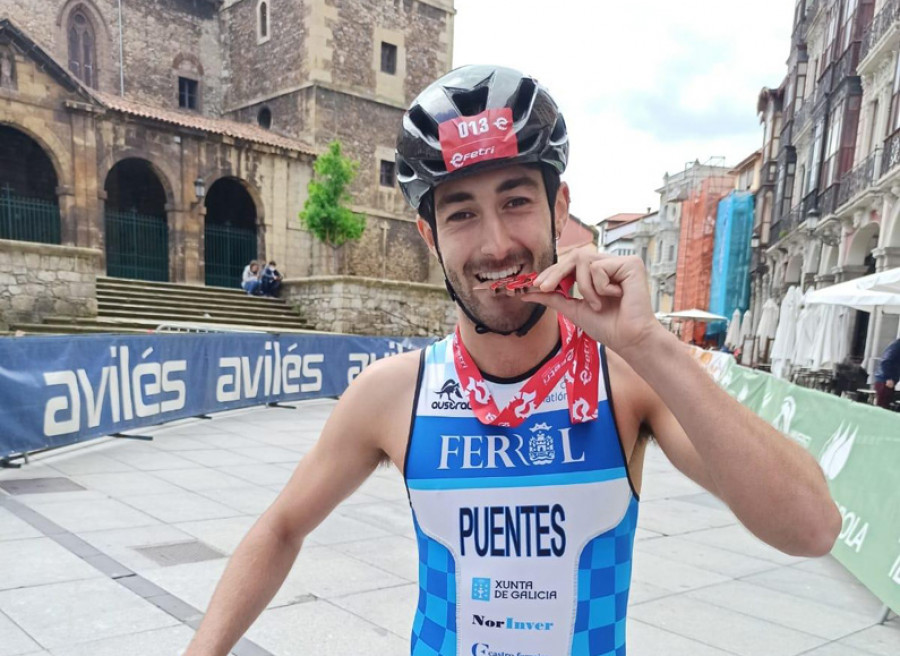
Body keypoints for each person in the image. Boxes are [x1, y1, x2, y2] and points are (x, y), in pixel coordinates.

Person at [184, 65, 840, 656]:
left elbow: (811, 529)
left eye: (517, 201)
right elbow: (280, 528)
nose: (496, 244)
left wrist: (649, 344)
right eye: (462, 213)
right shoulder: (393, 395)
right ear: (429, 234)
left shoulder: (629, 379)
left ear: (559, 207)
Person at [874, 337, 900, 409]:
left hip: (886, 381)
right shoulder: (897, 346)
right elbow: (886, 361)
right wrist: (888, 378)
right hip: (885, 382)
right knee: (881, 409)